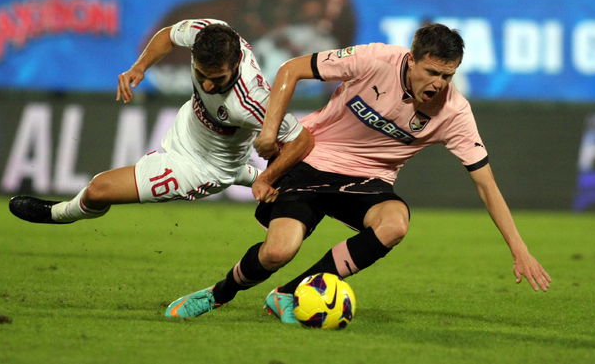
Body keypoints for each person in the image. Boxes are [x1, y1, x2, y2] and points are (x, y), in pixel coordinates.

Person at [163, 23, 551, 321]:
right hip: (312, 159)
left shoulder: (454, 113)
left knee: (395, 224)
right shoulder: (375, 59)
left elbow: (486, 185)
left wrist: (519, 250)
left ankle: (289, 294)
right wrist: (269, 131)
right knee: (279, 250)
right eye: (432, 72)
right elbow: (291, 69)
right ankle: (217, 294)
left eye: (447, 76)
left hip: (367, 181)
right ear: (411, 60)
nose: (438, 84)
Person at [9, 19, 312, 229]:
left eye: (217, 79)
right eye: (201, 74)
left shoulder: (253, 101)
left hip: (201, 168)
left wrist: (267, 178)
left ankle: (58, 214)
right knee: (231, 161)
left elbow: (302, 139)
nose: (207, 85)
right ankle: (243, 172)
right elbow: (168, 35)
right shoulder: (207, 33)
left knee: (99, 189)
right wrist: (139, 68)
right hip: (189, 125)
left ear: (236, 63)